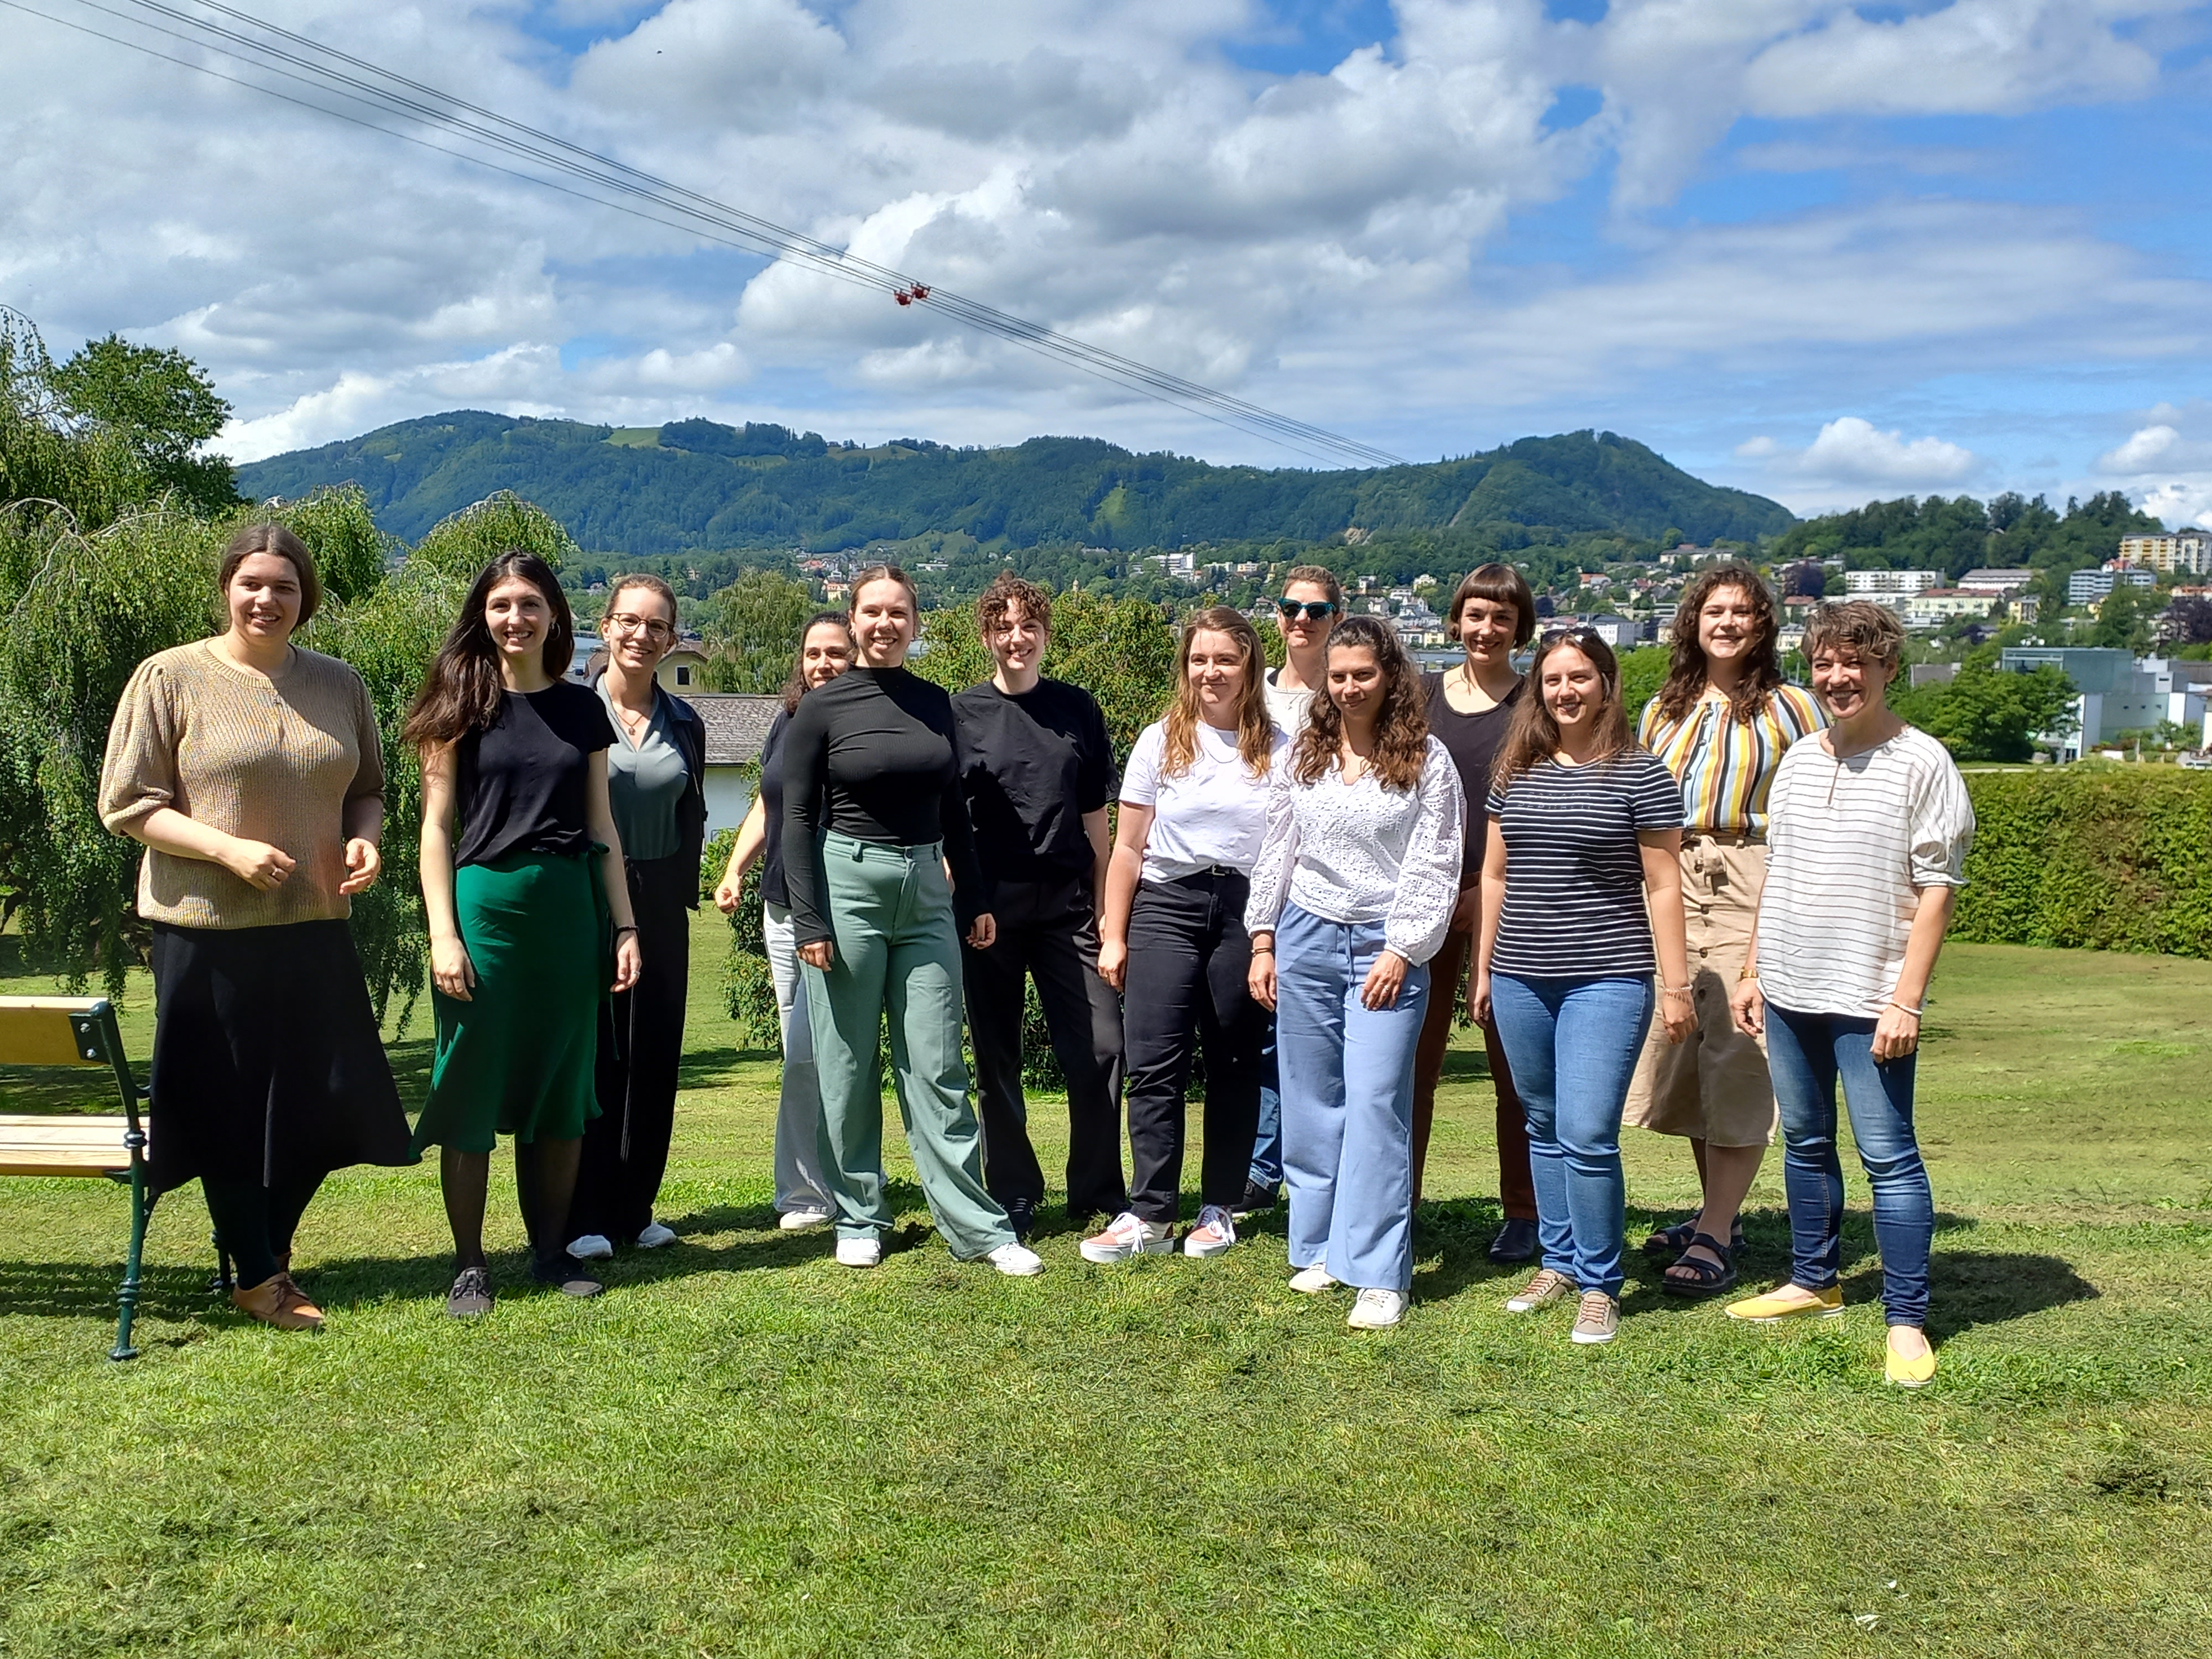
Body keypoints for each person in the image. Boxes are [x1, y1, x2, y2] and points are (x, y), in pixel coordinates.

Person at [98, 524, 410, 1331]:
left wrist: (365, 840)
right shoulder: (170, 677)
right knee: (226, 1108)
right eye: (253, 584)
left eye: (286, 587)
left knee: (324, 1102)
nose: (268, 599)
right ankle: (260, 1275)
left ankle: (262, 1248)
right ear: (227, 590)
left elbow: (368, 787)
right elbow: (127, 806)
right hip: (206, 931)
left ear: (306, 599)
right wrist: (226, 850)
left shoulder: (341, 684)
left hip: (313, 923)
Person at [1726, 602, 1973, 1389]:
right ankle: (1815, 1282)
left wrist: (1906, 1000)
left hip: (1871, 1000)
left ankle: (1905, 1319)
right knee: (1803, 1143)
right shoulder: (1798, 760)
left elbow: (1939, 889)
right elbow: (1780, 876)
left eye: (1856, 664)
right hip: (1793, 989)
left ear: (1888, 669)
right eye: (1826, 664)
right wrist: (1756, 970)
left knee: (1889, 1159)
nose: (1839, 679)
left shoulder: (1923, 761)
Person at [780, 565, 1041, 1276]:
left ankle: (976, 1227)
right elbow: (796, 818)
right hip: (848, 885)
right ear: (853, 618)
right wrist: (810, 920)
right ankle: (859, 1214)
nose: (885, 624)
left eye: (898, 612)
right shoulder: (823, 708)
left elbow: (954, 808)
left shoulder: (935, 704)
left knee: (937, 1063)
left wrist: (975, 898)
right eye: (872, 612)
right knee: (848, 1060)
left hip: (927, 886)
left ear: (915, 623)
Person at [405, 551, 643, 1317]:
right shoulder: (455, 705)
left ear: (554, 617)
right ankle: (471, 1264)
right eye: (502, 604)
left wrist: (626, 926)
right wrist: (444, 935)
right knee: (472, 1083)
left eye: (530, 604)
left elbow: (602, 827)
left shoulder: (583, 710)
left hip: (570, 917)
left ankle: (549, 1253)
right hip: (485, 913)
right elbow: (435, 832)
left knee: (560, 1088)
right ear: (484, 614)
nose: (516, 618)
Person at [1473, 628, 1693, 1346]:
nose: (1565, 691)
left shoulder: (1641, 773)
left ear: (1606, 683)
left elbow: (1663, 885)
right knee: (1541, 1124)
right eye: (1553, 680)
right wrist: (1482, 970)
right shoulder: (1516, 769)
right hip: (1520, 977)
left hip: (1608, 978)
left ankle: (1601, 1284)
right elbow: (1496, 877)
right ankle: (1559, 1261)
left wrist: (1676, 984)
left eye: (1580, 678)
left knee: (1589, 1133)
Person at [1247, 617, 1463, 1329]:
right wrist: (1262, 938)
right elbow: (1277, 846)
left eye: (1362, 674)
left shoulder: (1427, 760)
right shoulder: (1302, 756)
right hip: (1304, 932)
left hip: (1385, 942)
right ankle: (1315, 1247)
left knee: (1375, 1102)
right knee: (1310, 1100)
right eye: (1337, 676)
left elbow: (1436, 862)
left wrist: (1402, 949)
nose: (1347, 688)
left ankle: (1376, 1271)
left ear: (1390, 676)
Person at [1626, 565, 1826, 1296]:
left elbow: (1818, 804)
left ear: (1763, 624)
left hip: (1754, 874)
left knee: (1742, 1052)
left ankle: (1713, 1234)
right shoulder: (1661, 711)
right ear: (1694, 621)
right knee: (1689, 1056)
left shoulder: (1794, 708)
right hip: (1672, 881)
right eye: (1715, 610)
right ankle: (1723, 1213)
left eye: (1743, 611)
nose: (1728, 622)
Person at [1087, 607, 1285, 1264]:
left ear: (1249, 666)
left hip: (1244, 908)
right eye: (1199, 659)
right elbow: (1127, 849)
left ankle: (1219, 1209)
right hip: (1166, 904)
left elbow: (1286, 849)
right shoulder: (1159, 740)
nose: (1211, 672)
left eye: (1225, 659)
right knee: (1154, 1063)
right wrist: (1114, 935)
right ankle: (1150, 1214)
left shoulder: (1279, 747)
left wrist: (1268, 937)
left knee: (1233, 1062)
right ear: (1185, 667)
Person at [952, 572, 1126, 1237]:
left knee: (1103, 1047)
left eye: (1028, 626)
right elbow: (949, 823)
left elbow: (1097, 824)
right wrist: (964, 898)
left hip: (1068, 907)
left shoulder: (1076, 708)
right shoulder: (960, 714)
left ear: (1045, 635)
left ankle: (1096, 1189)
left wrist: (1110, 912)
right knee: (997, 1057)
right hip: (990, 913)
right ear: (987, 636)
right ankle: (1016, 1191)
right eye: (1003, 626)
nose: (1016, 637)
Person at [566, 575, 708, 1260]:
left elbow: (692, 813)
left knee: (654, 1057)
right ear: (606, 626)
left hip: (661, 902)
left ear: (672, 640)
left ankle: (636, 1208)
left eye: (656, 627)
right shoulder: (572, 711)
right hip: (586, 896)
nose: (640, 636)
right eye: (628, 621)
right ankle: (584, 1211)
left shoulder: (686, 722)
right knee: (596, 1056)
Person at [714, 612, 854, 1231]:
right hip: (784, 910)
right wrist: (734, 868)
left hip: (852, 908)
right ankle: (803, 1190)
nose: (823, 664)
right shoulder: (788, 722)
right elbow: (769, 804)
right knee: (802, 1053)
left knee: (836, 1052)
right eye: (814, 654)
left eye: (836, 654)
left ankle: (848, 1180)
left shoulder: (869, 723)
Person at [1417, 564, 1538, 1263]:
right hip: (1425, 891)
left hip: (1511, 894)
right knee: (1412, 1060)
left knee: (1511, 1065)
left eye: (1500, 618)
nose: (1485, 629)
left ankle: (1523, 1211)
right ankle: (1397, 1202)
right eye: (1474, 615)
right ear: (1455, 621)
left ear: (1518, 627)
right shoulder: (1423, 695)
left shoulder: (1536, 701)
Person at [1242, 564, 1345, 1216]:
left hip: (1317, 883)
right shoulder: (1253, 692)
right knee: (1259, 1034)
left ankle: (1307, 1168)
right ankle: (1258, 1163)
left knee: (1312, 1036)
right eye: (1289, 608)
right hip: (1245, 872)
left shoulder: (1347, 693)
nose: (1300, 620)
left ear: (1338, 617)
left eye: (1316, 610)